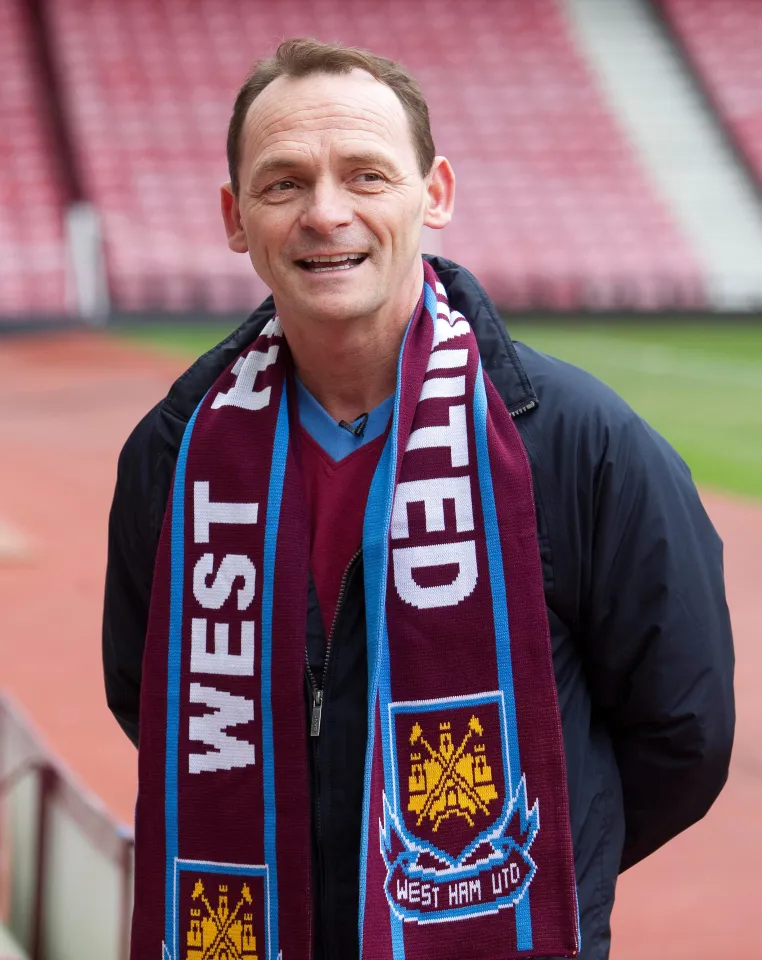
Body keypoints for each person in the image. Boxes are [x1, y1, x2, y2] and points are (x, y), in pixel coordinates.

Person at [103, 38, 734, 960]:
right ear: (236, 218)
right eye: (283, 184)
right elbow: (148, 697)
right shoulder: (173, 455)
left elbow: (684, 732)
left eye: (366, 175)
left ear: (433, 194)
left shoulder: (578, 443)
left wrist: (526, 876)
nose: (327, 213)